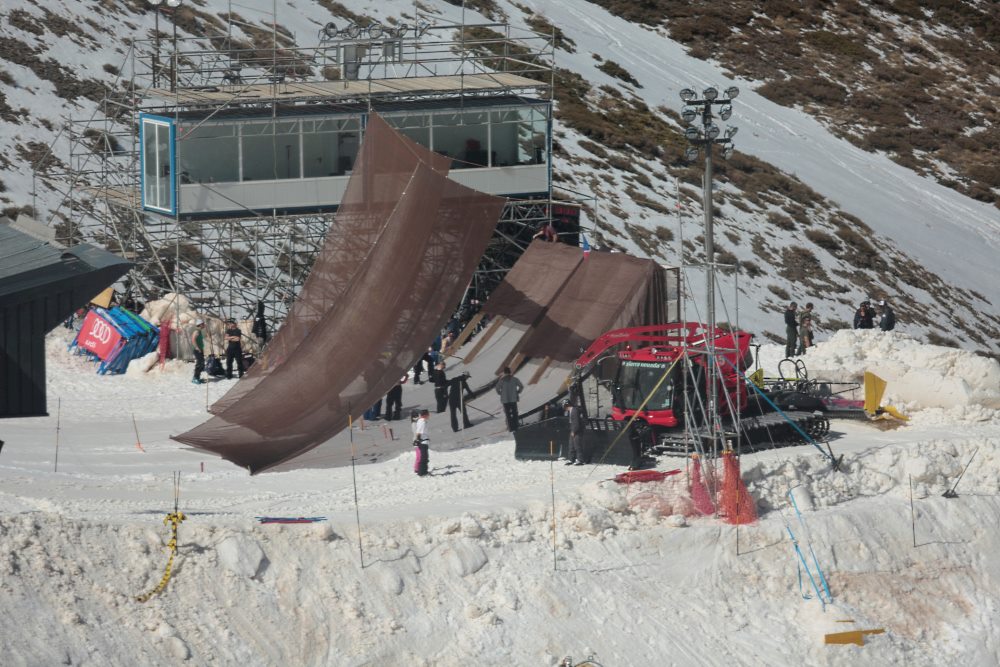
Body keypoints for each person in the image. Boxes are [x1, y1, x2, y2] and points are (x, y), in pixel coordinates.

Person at [495, 366, 524, 431]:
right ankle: (516, 426)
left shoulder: (501, 380)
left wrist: (500, 393)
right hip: (513, 399)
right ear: (510, 372)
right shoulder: (515, 379)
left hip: (505, 400)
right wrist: (518, 392)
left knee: (508, 414)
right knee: (515, 413)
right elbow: (521, 386)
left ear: (504, 373)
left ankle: (510, 428)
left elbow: (497, 388)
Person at [564, 399, 585, 465]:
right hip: (573, 430)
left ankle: (580, 460)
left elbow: (576, 422)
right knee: (571, 445)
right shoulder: (571, 411)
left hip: (577, 431)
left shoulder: (574, 410)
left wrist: (574, 431)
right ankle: (571, 459)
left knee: (577, 445)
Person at [412, 409, 430, 476]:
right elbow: (419, 431)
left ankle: (423, 471)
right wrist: (417, 440)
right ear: (425, 415)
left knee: (424, 457)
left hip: (423, 441)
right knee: (424, 458)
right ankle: (422, 472)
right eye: (428, 414)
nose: (429, 416)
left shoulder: (420, 421)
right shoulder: (423, 422)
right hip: (423, 441)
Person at [190, 319, 206, 384]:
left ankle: (198, 377)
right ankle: (195, 378)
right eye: (203, 324)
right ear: (200, 324)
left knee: (201, 363)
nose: (204, 325)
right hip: (197, 350)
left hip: (200, 349)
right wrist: (197, 348)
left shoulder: (199, 331)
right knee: (199, 364)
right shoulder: (196, 331)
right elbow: (193, 339)